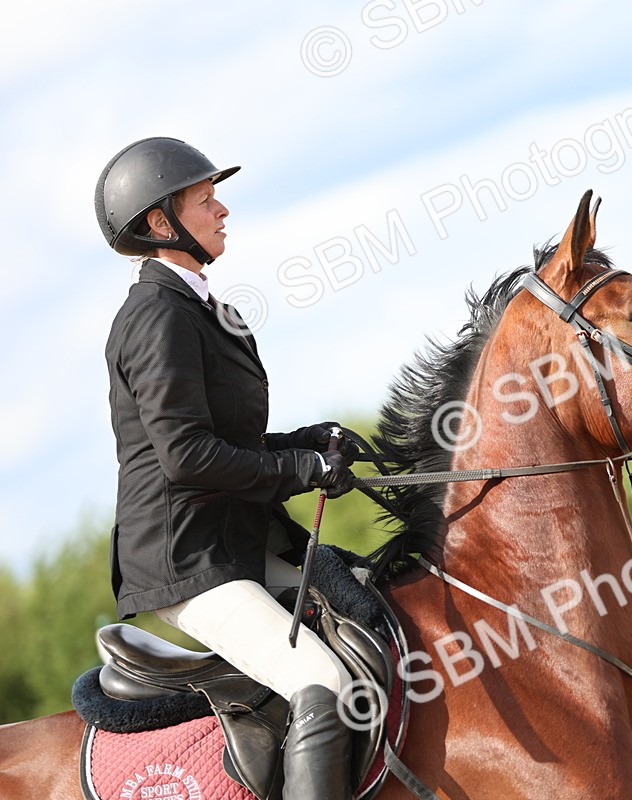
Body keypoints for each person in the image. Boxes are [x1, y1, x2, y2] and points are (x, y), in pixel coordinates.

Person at [96, 137, 359, 800]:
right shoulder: (156, 317)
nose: (222, 210)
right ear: (161, 223)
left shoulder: (209, 312)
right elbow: (186, 457)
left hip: (236, 544)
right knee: (322, 683)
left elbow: (231, 441)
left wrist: (311, 442)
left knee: (369, 597)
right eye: (206, 200)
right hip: (189, 560)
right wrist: (303, 468)